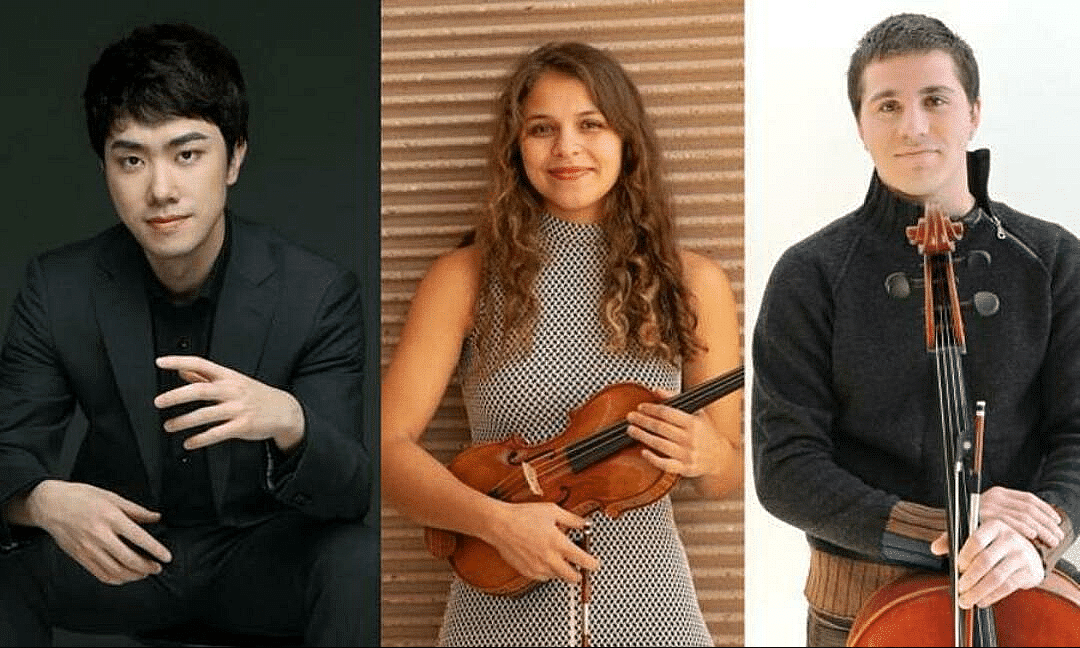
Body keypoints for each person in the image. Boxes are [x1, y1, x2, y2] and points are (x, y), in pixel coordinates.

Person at [0, 23, 375, 646]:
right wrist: (42, 501)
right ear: (105, 168)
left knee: (357, 563)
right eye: (132, 160)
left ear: (235, 158)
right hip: (123, 557)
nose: (161, 189)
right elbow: (9, 446)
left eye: (188, 153)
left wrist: (289, 419)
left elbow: (350, 493)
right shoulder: (58, 287)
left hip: (259, 563)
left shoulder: (317, 291)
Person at [381, 41, 741, 646]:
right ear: (516, 148)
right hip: (493, 621)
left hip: (655, 619)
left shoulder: (694, 282)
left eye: (591, 125)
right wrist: (497, 523)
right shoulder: (462, 278)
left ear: (626, 141)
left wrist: (709, 455)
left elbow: (724, 476)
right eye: (542, 129)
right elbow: (388, 451)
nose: (567, 149)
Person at [752, 12, 1080, 646]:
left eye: (935, 99)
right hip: (861, 609)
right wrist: (953, 524)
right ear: (860, 126)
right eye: (888, 106)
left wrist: (1043, 531)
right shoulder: (810, 274)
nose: (914, 126)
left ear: (973, 112)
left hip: (1021, 595)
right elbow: (785, 467)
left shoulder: (1055, 260)